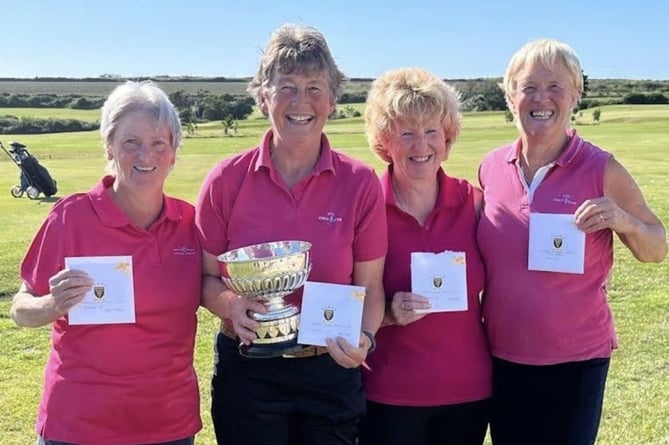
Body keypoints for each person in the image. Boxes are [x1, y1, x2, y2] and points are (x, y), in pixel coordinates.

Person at [195, 24, 387, 445]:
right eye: (287, 87)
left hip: (330, 370)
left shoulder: (360, 182)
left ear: (333, 100)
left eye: (315, 87)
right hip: (248, 371)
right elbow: (206, 279)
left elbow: (370, 287)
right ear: (263, 96)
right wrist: (231, 304)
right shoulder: (225, 180)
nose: (301, 102)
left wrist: (366, 339)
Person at [477, 39, 667, 445]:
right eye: (528, 86)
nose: (540, 98)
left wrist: (623, 221)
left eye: (555, 86)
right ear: (510, 95)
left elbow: (657, 248)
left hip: (576, 360)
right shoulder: (490, 167)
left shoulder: (602, 168)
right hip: (501, 356)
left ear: (576, 95)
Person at [10, 81, 202, 445]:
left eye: (159, 143)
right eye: (131, 142)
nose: (146, 155)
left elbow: (213, 286)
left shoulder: (191, 224)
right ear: (110, 146)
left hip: (168, 425)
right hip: (78, 425)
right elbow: (20, 309)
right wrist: (53, 304)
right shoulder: (71, 217)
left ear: (174, 152)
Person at [359, 68, 491, 445]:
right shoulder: (366, 208)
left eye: (432, 131)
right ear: (385, 140)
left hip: (469, 392)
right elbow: (346, 296)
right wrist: (387, 314)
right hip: (387, 393)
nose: (421, 145)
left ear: (447, 139)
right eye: (406, 132)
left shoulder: (475, 202)